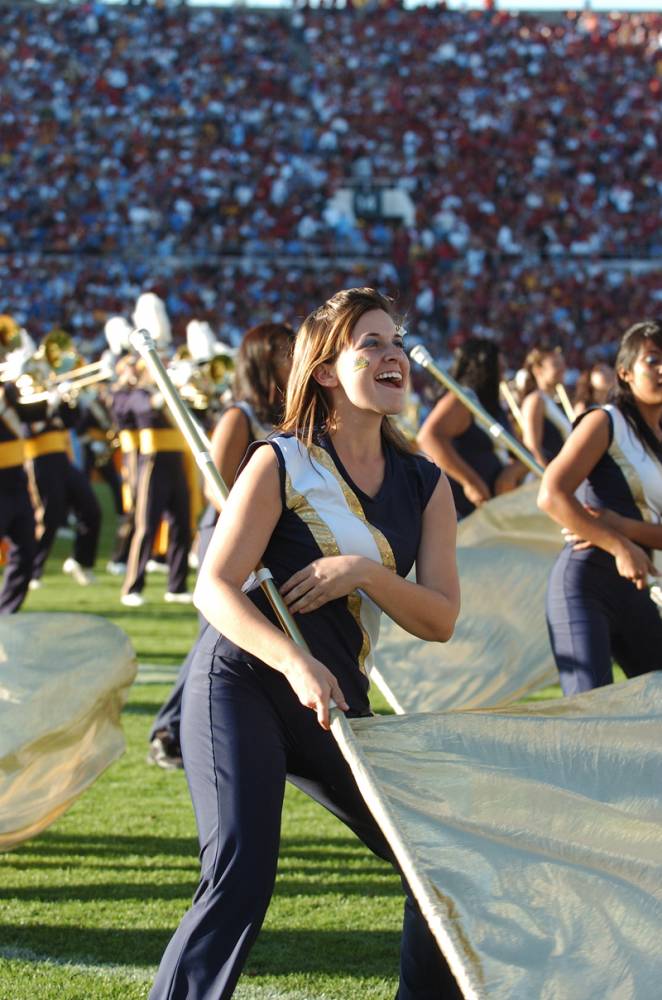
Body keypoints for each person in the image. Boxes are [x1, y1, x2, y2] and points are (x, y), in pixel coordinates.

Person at [149, 288, 462, 999]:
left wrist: (363, 572)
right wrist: (293, 661)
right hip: (246, 682)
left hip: (334, 701)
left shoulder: (426, 482)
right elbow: (215, 587)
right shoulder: (282, 460)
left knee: (435, 860)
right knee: (241, 873)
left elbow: (440, 618)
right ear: (324, 370)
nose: (395, 356)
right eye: (371, 344)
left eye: (397, 340)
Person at [148, 321, 294, 769]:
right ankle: (168, 730)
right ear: (264, 362)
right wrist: (246, 520)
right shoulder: (239, 416)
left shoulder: (286, 417)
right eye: (288, 353)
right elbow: (214, 484)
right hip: (227, 533)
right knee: (216, 631)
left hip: (260, 534)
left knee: (231, 633)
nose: (297, 360)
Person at [538, 319, 662, 695]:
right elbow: (552, 494)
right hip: (584, 585)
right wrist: (618, 545)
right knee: (589, 721)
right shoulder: (604, 421)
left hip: (635, 589)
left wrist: (620, 527)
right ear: (624, 372)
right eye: (653, 360)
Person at [417, 338, 526, 519]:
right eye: (499, 362)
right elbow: (428, 437)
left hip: (495, 509)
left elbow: (519, 452)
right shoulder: (463, 399)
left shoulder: (494, 406)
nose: (504, 367)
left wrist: (511, 473)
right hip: (463, 512)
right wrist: (470, 482)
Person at [520, 344, 572, 467]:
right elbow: (532, 446)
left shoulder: (552, 400)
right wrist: (545, 475)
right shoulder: (535, 400)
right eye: (556, 365)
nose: (563, 369)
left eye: (562, 364)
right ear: (538, 370)